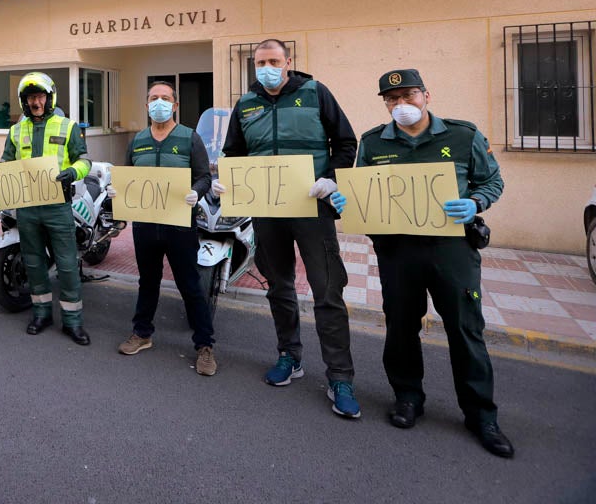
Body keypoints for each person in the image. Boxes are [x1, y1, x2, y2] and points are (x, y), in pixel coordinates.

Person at [350, 69, 513, 458]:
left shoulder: (462, 135)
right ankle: (407, 397)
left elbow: (492, 181)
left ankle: (480, 414)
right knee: (401, 326)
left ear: (426, 95)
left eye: (408, 96)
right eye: (392, 100)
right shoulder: (373, 143)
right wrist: (346, 201)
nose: (401, 105)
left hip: (451, 249)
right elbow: (362, 192)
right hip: (397, 251)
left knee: (465, 328)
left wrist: (475, 203)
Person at [219, 38, 360, 418]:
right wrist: (227, 179)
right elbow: (234, 153)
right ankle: (289, 357)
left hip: (313, 207)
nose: (266, 67)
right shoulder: (246, 104)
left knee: (327, 292)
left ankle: (340, 377)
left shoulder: (316, 93)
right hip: (267, 211)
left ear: (288, 62)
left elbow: (347, 143)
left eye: (273, 60)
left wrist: (331, 179)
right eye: (260, 61)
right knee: (279, 287)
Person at [110, 81, 215, 373]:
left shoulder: (189, 138)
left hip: (180, 225)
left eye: (165, 98)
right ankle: (142, 334)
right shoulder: (138, 139)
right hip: (145, 226)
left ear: (175, 105)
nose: (159, 103)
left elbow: (204, 176)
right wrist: (116, 192)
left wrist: (197, 191)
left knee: (190, 285)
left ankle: (205, 345)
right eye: (154, 98)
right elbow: (127, 176)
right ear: (146, 105)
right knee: (148, 282)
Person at [0, 72, 92, 345]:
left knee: (66, 264)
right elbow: (7, 161)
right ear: (23, 102)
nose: (35, 102)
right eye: (30, 98)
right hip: (27, 208)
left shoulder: (68, 126)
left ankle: (73, 321)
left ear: (49, 98)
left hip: (57, 206)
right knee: (34, 262)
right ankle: (41, 313)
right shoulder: (16, 130)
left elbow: (84, 160)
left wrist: (72, 173)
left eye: (39, 96)